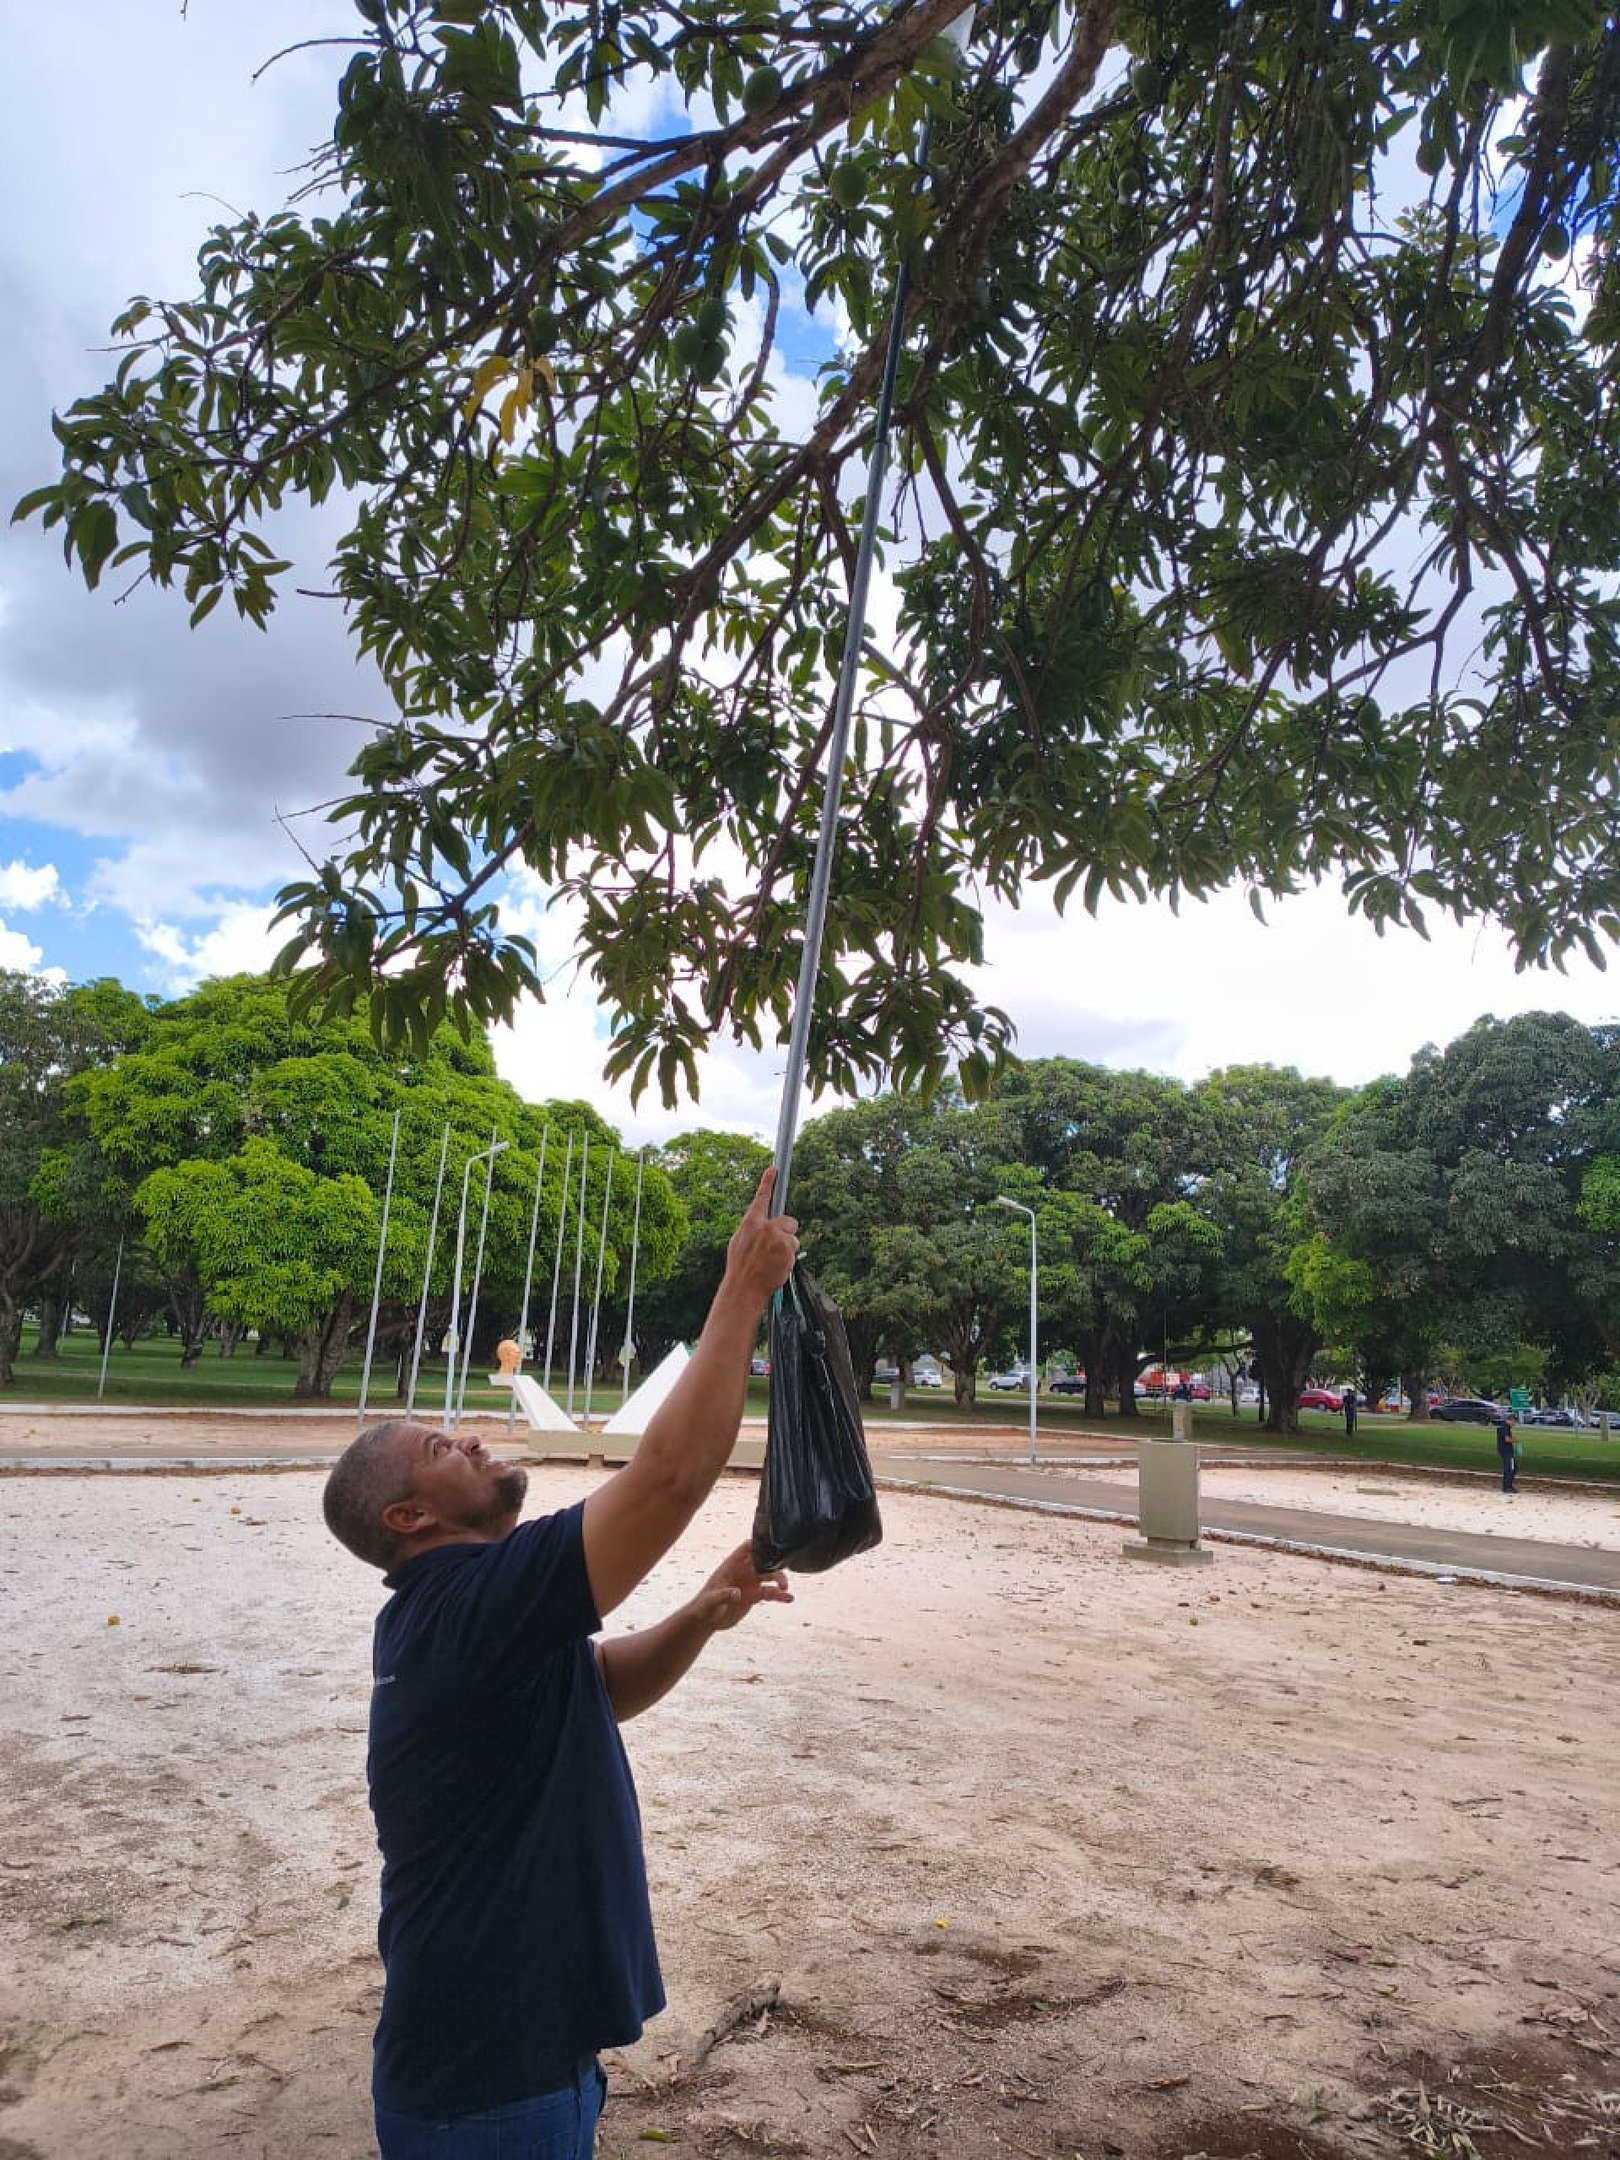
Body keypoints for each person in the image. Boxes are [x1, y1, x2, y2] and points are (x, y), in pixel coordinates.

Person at [321, 1166, 800, 2160]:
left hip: (518, 2067)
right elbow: (668, 1478)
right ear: (409, 1517)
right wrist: (741, 1289)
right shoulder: (468, 1608)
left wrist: (698, 1617)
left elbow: (596, 1688)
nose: (468, 1438)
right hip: (489, 2093)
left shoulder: (467, 1616)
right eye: (440, 1448)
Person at [1494, 1410, 1519, 1493]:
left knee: (1510, 1468)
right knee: (1511, 1468)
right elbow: (1507, 1439)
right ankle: (1508, 1487)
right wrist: (1515, 1440)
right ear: (1510, 1420)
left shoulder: (1502, 1427)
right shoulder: (1505, 1427)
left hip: (1503, 1450)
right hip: (1507, 1451)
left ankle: (1506, 1486)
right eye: (1514, 1422)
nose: (1514, 1424)